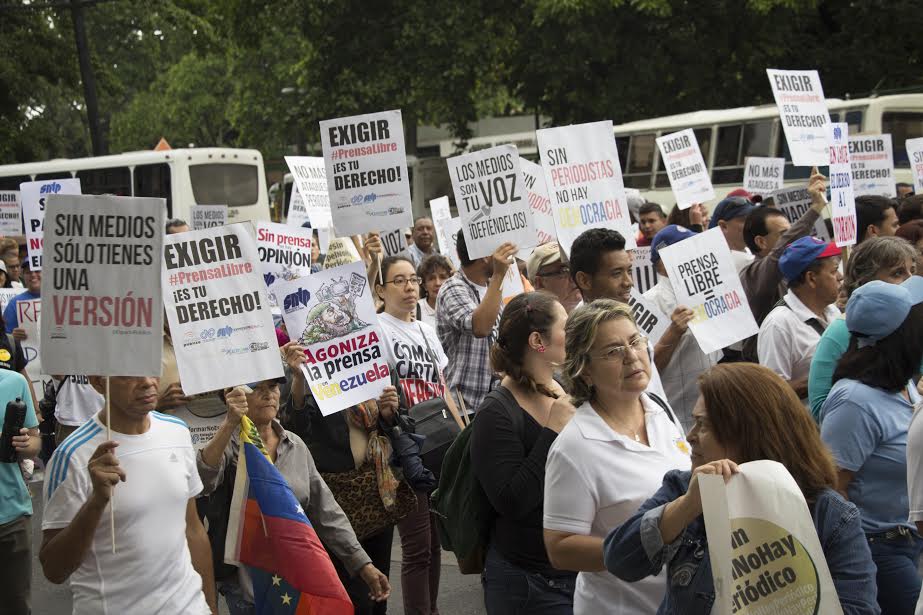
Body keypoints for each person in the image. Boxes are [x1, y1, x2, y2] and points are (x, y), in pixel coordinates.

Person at [604, 363, 879, 614]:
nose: (690, 437)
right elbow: (619, 559)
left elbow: (858, 607)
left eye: (703, 425)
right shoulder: (685, 488)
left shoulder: (829, 514)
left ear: (747, 434)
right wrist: (687, 506)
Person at [543, 300, 691, 614]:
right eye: (613, 351)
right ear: (585, 371)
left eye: (635, 341)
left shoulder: (658, 410)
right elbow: (560, 548)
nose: (632, 356)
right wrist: (645, 545)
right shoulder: (575, 447)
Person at [197, 379, 390, 614]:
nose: (268, 395)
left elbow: (327, 511)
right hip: (245, 583)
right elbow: (202, 480)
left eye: (273, 387)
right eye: (257, 389)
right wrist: (230, 423)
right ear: (233, 396)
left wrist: (363, 564)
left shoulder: (295, 445)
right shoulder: (228, 444)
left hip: (294, 575)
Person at [40, 375, 217, 614]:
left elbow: (193, 529)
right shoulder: (72, 455)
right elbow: (54, 570)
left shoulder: (177, 431)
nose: (147, 382)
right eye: (128, 373)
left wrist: (210, 607)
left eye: (150, 367)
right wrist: (96, 502)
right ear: (98, 382)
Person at [279, 344, 415, 615]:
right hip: (335, 501)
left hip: (376, 496)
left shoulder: (375, 362)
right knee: (352, 594)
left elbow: (405, 428)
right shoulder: (305, 367)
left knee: (379, 588)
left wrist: (390, 413)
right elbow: (293, 431)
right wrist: (298, 380)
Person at [820, 278, 923, 614]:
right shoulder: (854, 400)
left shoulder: (903, 383)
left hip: (911, 542)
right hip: (881, 552)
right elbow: (833, 489)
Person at [470, 293, 577, 614]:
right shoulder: (496, 411)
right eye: (565, 327)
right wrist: (552, 432)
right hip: (529, 584)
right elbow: (511, 500)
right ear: (537, 341)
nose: (572, 335)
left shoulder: (563, 386)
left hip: (575, 572)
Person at [375, 255, 448, 615]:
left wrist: (460, 434)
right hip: (404, 447)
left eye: (412, 280)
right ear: (381, 290)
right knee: (417, 546)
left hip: (437, 440)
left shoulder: (426, 329)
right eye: (399, 281)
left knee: (433, 545)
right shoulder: (377, 329)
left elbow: (442, 385)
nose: (409, 288)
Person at [807, 236, 916, 420]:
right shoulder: (840, 332)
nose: (911, 280)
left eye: (912, 270)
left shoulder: (908, 319)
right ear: (867, 281)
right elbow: (819, 408)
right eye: (897, 273)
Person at [568, 227, 668, 400]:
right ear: (584, 280)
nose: (628, 282)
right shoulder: (574, 338)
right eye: (616, 273)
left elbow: (654, 395)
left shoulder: (632, 320)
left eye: (628, 271)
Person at [739, 168, 827, 360]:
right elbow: (778, 254)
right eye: (784, 234)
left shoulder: (796, 272)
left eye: (791, 231)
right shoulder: (753, 274)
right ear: (761, 242)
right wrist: (815, 209)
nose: (792, 239)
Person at [644, 225, 720, 429]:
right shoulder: (649, 304)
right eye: (684, 249)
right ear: (661, 264)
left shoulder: (709, 293)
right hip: (675, 420)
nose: (694, 254)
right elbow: (646, 369)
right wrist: (673, 333)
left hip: (712, 414)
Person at [435, 231, 517, 413]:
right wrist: (498, 276)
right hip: (466, 407)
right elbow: (480, 327)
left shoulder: (491, 288)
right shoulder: (452, 287)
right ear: (486, 256)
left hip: (496, 400)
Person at [757, 236, 842, 403]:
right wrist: (832, 374)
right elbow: (771, 392)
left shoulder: (833, 311)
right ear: (811, 278)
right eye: (833, 271)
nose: (840, 277)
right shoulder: (778, 324)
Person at [0, 370, 41, 615]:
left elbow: (35, 442)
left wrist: (26, 445)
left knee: (15, 605)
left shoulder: (13, 381)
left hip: (11, 516)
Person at [527, 242, 581, 314]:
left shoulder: (594, 316)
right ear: (540, 284)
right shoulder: (533, 324)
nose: (574, 276)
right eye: (564, 271)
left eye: (574, 267)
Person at [708, 195, 755, 272]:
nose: (752, 224)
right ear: (723, 226)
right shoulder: (715, 267)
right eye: (745, 220)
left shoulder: (753, 252)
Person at [4, 260, 40, 336]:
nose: (33, 275)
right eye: (28, 272)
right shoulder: (14, 303)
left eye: (37, 271)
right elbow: (4, 337)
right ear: (23, 276)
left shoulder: (57, 300)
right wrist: (13, 337)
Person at [417, 254, 454, 327]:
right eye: (431, 278)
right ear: (424, 285)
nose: (438, 283)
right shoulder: (415, 310)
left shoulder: (460, 305)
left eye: (443, 277)